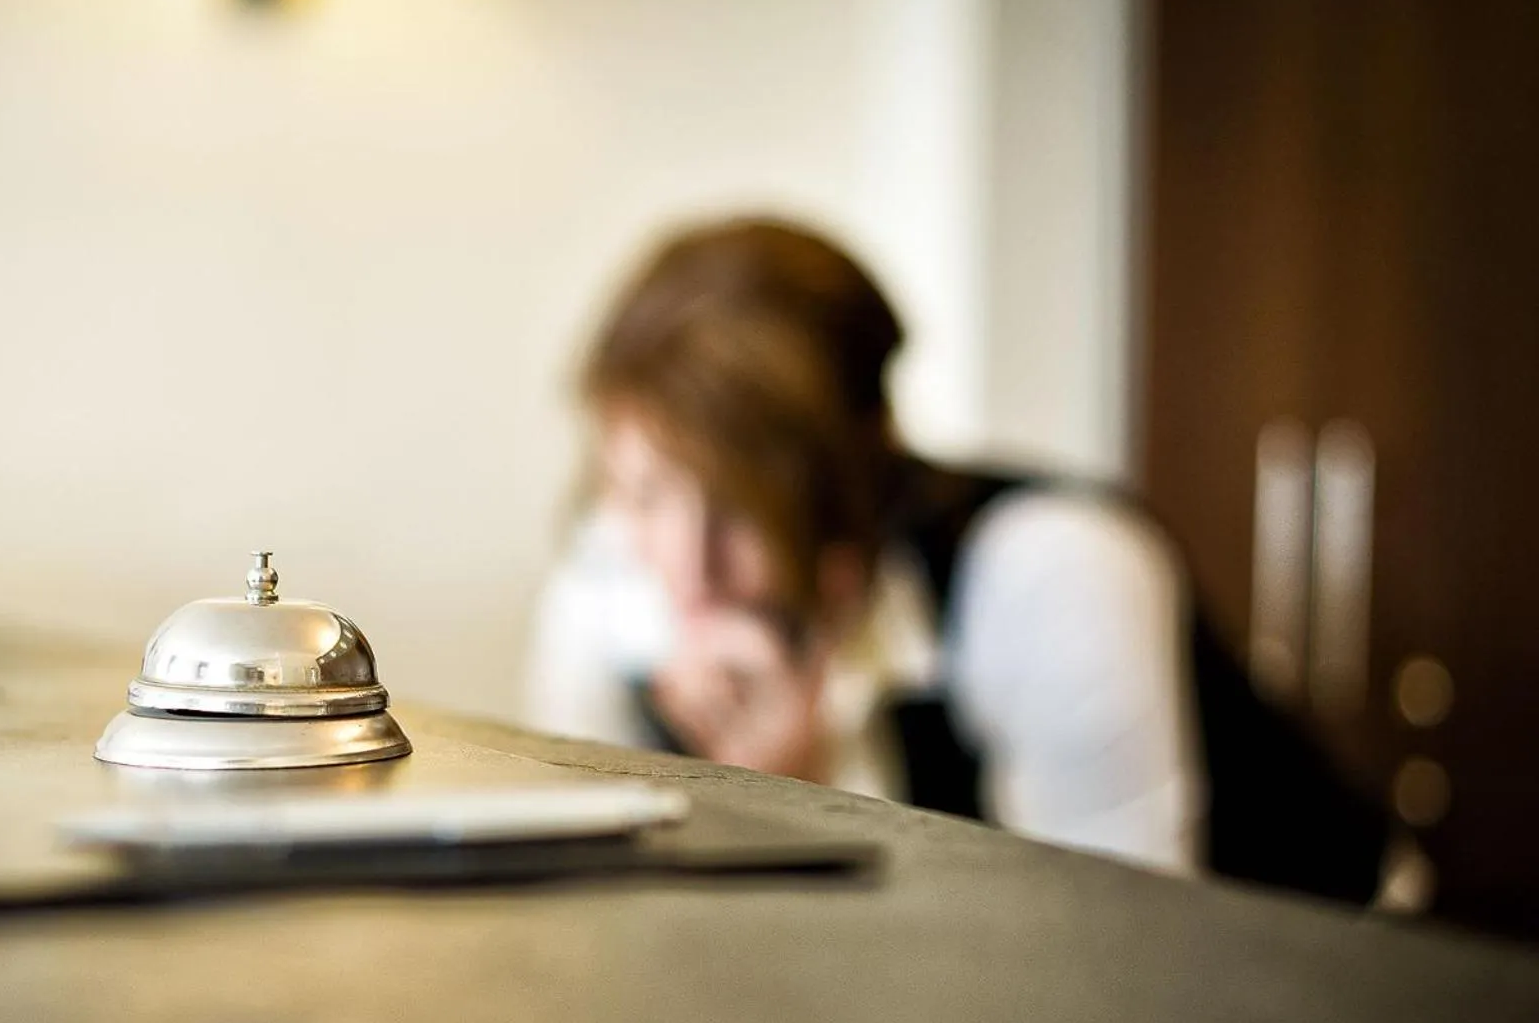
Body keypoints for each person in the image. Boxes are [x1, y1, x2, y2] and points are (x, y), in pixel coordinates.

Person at [526, 216, 1388, 901]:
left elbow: (1112, 961)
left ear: (858, 481)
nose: (686, 569)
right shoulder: (607, 573)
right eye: (640, 496)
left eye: (742, 512)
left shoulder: (1054, 573)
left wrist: (803, 807)